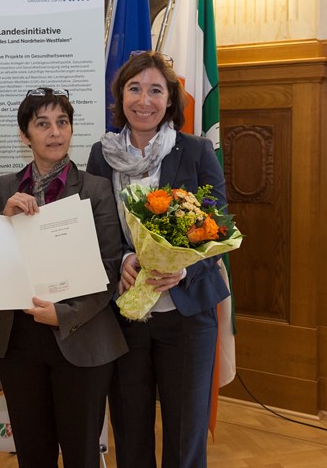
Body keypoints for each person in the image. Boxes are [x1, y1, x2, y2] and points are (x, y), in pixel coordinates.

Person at [86, 51, 229, 468]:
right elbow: (97, 225)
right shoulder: (101, 154)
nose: (143, 100)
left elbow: (219, 225)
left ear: (169, 100)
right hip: (126, 315)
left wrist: (183, 264)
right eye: (134, 88)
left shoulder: (197, 151)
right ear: (120, 96)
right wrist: (123, 260)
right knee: (130, 427)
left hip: (187, 314)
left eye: (155, 90)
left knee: (186, 432)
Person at [0, 87, 128, 468]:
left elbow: (110, 268)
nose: (54, 132)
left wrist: (64, 314)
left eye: (62, 122)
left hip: (80, 334)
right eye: (42, 124)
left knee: (82, 454)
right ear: (24, 135)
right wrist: (3, 221)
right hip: (18, 338)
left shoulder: (95, 189)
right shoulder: (3, 189)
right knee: (32, 452)